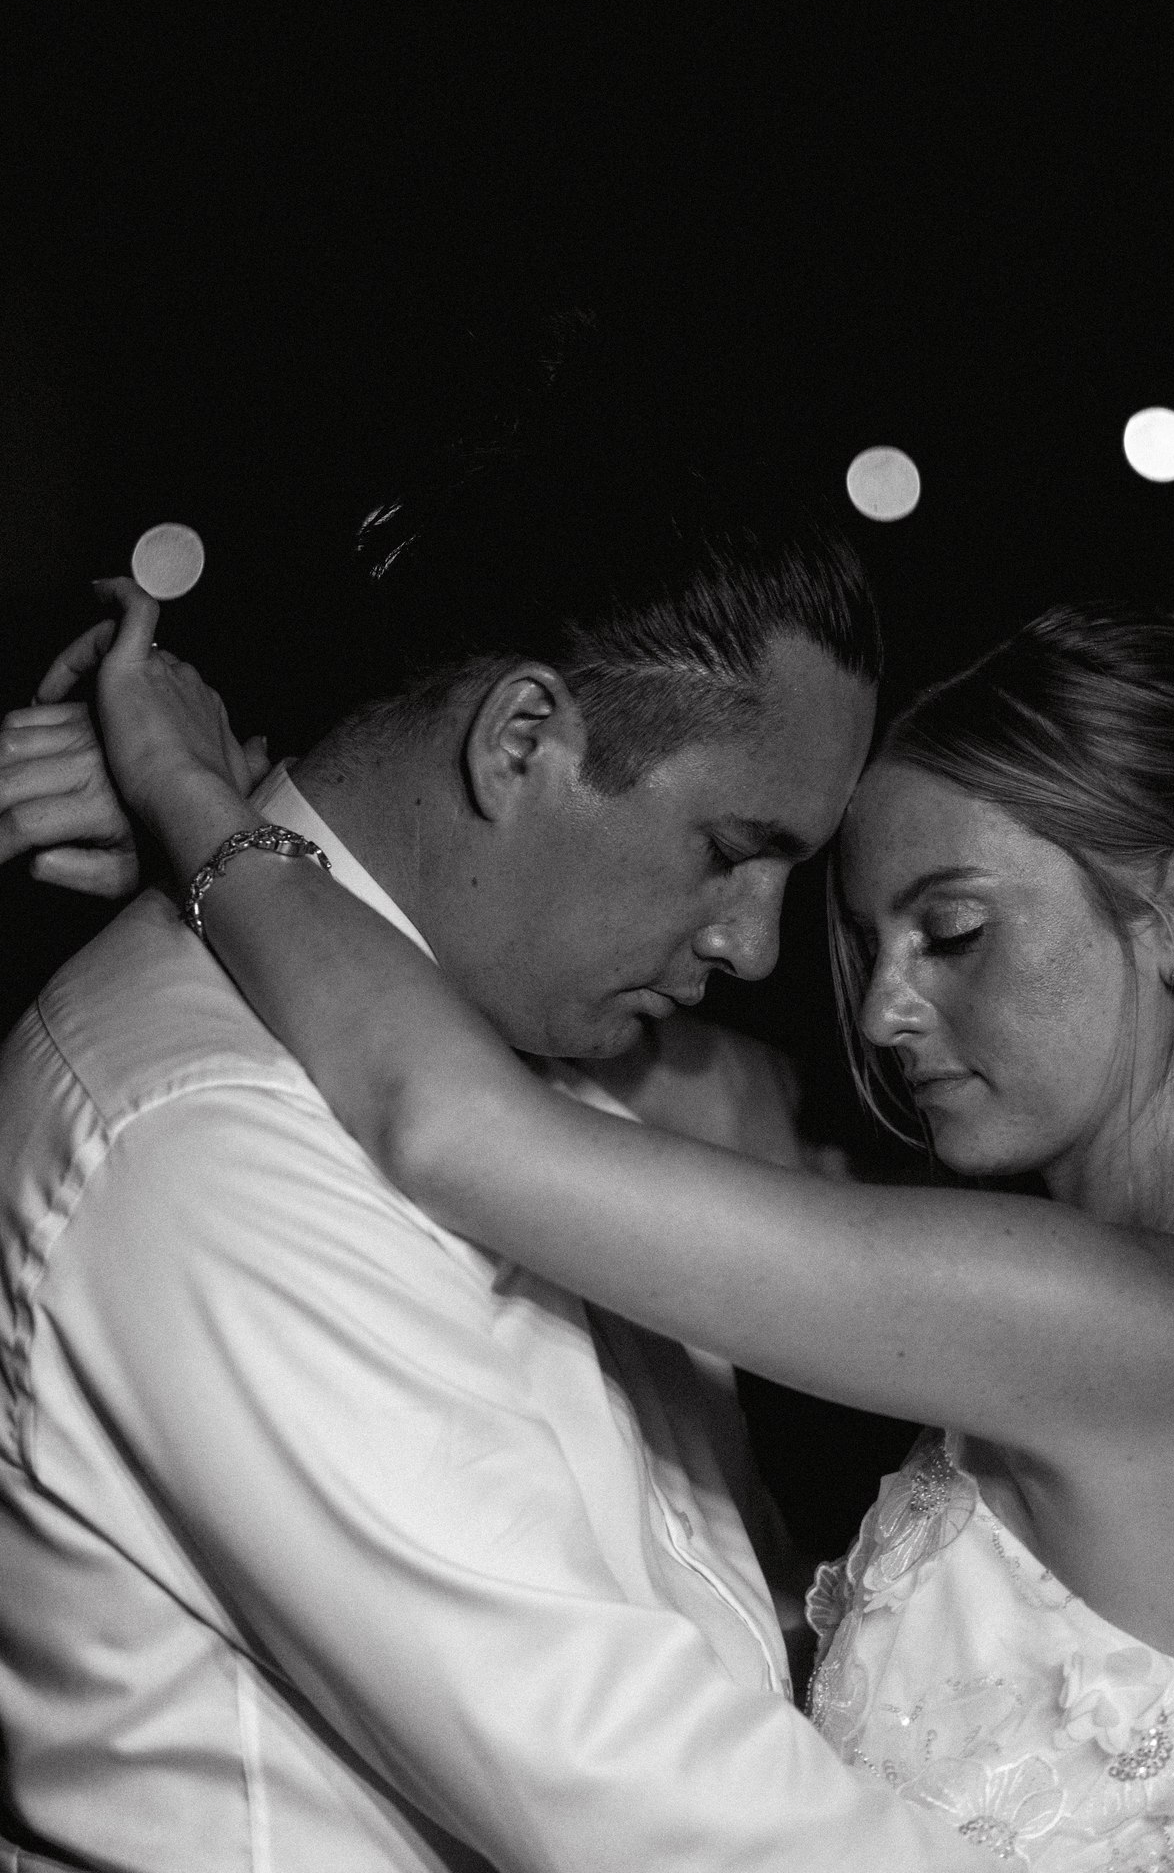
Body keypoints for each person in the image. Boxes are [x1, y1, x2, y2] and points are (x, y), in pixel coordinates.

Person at [42, 580, 1174, 1872]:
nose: (880, 1010)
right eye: (868, 941)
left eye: (952, 932)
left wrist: (189, 799)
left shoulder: (1143, 1321)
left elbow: (452, 1125)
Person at [0, 405, 981, 1866]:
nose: (757, 946)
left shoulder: (541, 1071)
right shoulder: (209, 1140)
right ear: (521, 740)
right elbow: (641, 1800)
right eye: (731, 853)